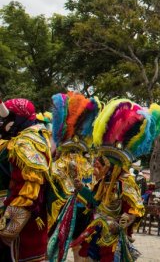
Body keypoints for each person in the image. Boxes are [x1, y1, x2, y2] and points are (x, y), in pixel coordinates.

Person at [73, 100, 160, 261]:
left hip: (112, 235)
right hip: (97, 228)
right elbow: (96, 201)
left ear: (111, 165)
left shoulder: (125, 181)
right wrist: (81, 189)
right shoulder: (103, 181)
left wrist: (124, 220)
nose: (98, 165)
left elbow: (136, 208)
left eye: (103, 162)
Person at [46, 92, 101, 262]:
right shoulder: (88, 166)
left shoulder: (57, 164)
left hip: (61, 213)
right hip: (84, 212)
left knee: (53, 248)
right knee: (79, 250)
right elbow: (94, 195)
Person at [0, 98, 53, 262]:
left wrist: (9, 229)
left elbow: (28, 190)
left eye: (6, 120)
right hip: (30, 221)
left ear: (17, 120)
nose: (2, 124)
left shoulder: (24, 143)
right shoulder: (35, 138)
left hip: (23, 226)